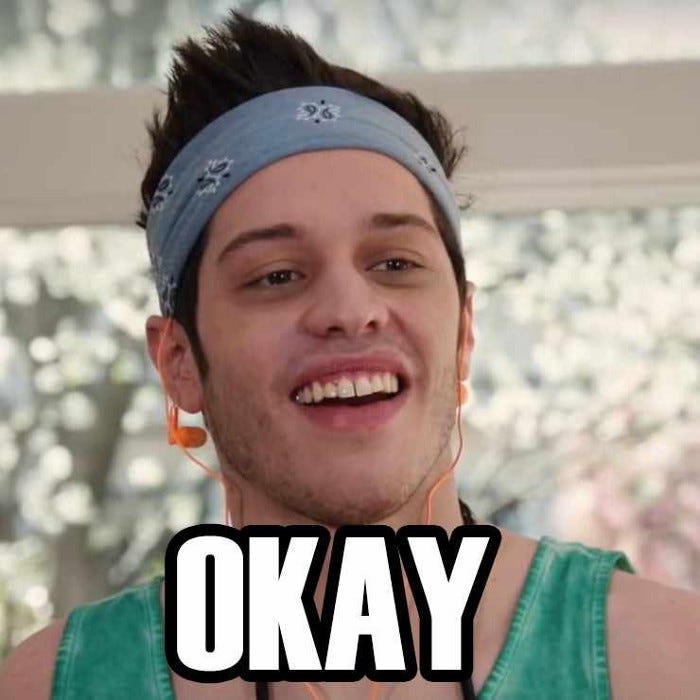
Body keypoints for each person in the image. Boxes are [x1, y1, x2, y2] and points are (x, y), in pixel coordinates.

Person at [2, 9, 699, 700]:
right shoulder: (57, 684)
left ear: (462, 331)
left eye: (395, 263)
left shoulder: (666, 663)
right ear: (179, 363)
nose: (348, 310)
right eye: (276, 276)